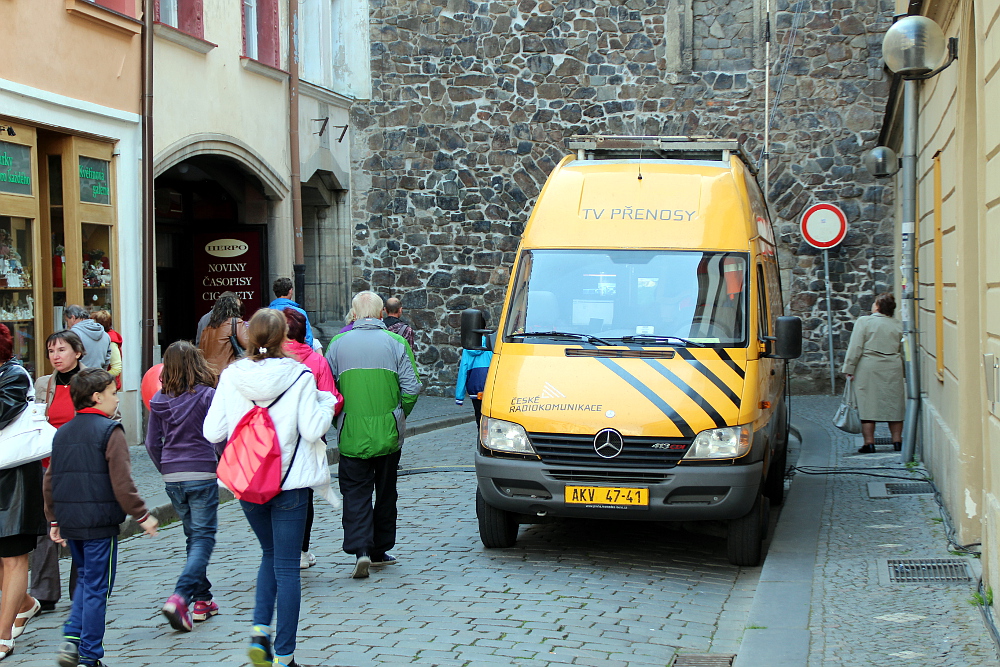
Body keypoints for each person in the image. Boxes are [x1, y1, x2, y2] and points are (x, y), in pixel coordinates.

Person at [203, 309, 338, 667]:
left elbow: (211, 432)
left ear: (250, 338)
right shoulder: (299, 375)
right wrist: (326, 404)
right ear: (283, 339)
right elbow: (312, 430)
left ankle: (260, 632)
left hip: (248, 483)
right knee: (287, 567)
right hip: (290, 484)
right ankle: (284, 656)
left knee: (268, 553)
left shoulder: (231, 376)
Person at [45, 368, 159, 667]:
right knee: (97, 587)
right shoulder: (111, 431)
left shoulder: (63, 432)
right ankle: (89, 655)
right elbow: (122, 482)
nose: (116, 398)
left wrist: (54, 519)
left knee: (85, 579)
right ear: (97, 397)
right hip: (99, 523)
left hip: (72, 520)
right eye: (112, 392)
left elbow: (50, 480)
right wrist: (142, 514)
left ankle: (72, 639)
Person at [325, 291, 420, 579]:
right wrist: (398, 415)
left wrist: (338, 421)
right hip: (388, 433)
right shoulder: (396, 343)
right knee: (386, 491)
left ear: (354, 315)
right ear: (381, 314)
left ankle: (361, 549)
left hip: (352, 432)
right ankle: (379, 550)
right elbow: (412, 387)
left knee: (355, 492)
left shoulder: (337, 344)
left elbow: (327, 391)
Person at [146, 341, 221, 632]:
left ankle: (203, 599)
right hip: (201, 472)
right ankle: (181, 597)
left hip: (172, 477)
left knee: (193, 536)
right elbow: (218, 434)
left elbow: (153, 443)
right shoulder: (206, 396)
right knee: (203, 538)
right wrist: (223, 461)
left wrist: (164, 467)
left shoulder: (159, 400)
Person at [30, 330, 88, 614]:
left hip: (78, 464)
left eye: (61, 350)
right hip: (46, 465)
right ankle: (43, 593)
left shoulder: (92, 380)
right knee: (44, 528)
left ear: (77, 352)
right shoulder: (43, 384)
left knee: (78, 526)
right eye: (51, 351)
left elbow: (110, 417)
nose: (56, 356)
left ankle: (81, 590)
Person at [282, 308, 343, 570]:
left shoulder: (268, 360)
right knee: (304, 495)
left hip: (276, 438)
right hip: (310, 438)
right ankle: (301, 550)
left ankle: (280, 550)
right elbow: (333, 399)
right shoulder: (317, 362)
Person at [0, 324, 47, 660]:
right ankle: (26, 603)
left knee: (13, 557)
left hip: (14, 478)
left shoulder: (14, 374)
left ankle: (3, 636)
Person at [842, 293, 905, 454]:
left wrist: (849, 368)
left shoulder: (864, 322)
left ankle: (869, 443)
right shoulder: (899, 325)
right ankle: (897, 441)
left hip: (868, 367)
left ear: (877, 306)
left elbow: (855, 347)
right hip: (893, 367)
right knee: (894, 405)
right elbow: (903, 349)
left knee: (867, 405)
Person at [198, 292, 250, 374]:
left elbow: (200, 352)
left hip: (209, 374)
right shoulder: (235, 322)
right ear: (234, 308)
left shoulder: (207, 328)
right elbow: (248, 345)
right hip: (227, 372)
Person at [455, 335, 493, 428]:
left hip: (474, 385)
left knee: (479, 414)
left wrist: (459, 397)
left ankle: (481, 436)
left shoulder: (468, 348)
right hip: (491, 384)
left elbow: (463, 372)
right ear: (484, 328)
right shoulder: (492, 344)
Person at [268, 278, 316, 349]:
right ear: (290, 291)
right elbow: (308, 339)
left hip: (273, 354)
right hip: (296, 354)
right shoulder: (299, 312)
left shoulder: (265, 314)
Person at [63, 305, 110, 371]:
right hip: (99, 377)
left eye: (67, 321)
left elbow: (69, 359)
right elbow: (107, 359)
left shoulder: (73, 333)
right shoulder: (105, 334)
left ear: (73, 318)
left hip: (79, 377)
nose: (67, 325)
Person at [89, 311, 122, 390]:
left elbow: (116, 368)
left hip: (107, 385)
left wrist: (99, 378)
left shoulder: (111, 341)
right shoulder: (101, 338)